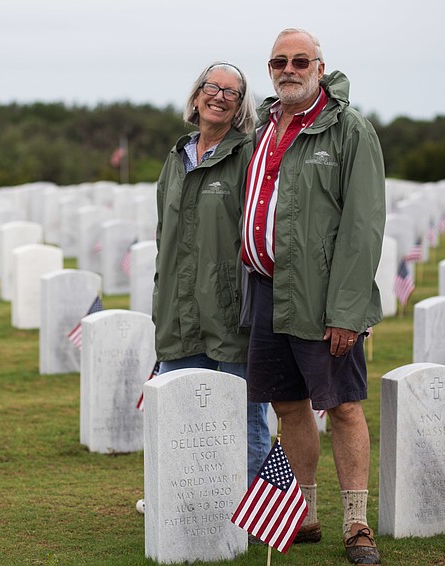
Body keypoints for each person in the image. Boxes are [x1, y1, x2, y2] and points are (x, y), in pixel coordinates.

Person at [241, 29, 385, 564]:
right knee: (288, 404)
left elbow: (363, 226)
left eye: (301, 60)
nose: (289, 68)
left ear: (320, 68)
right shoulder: (262, 125)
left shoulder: (349, 130)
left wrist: (348, 310)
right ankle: (301, 514)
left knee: (342, 406)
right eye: (279, 60)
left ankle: (356, 523)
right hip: (266, 292)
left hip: (323, 298)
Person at [153, 61, 271, 483]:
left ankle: (255, 511)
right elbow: (164, 235)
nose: (219, 96)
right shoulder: (177, 156)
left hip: (231, 309)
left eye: (231, 92)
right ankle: (187, 500)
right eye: (212, 87)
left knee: (245, 415)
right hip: (178, 310)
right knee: (180, 413)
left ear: (240, 106)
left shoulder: (248, 156)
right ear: (197, 95)